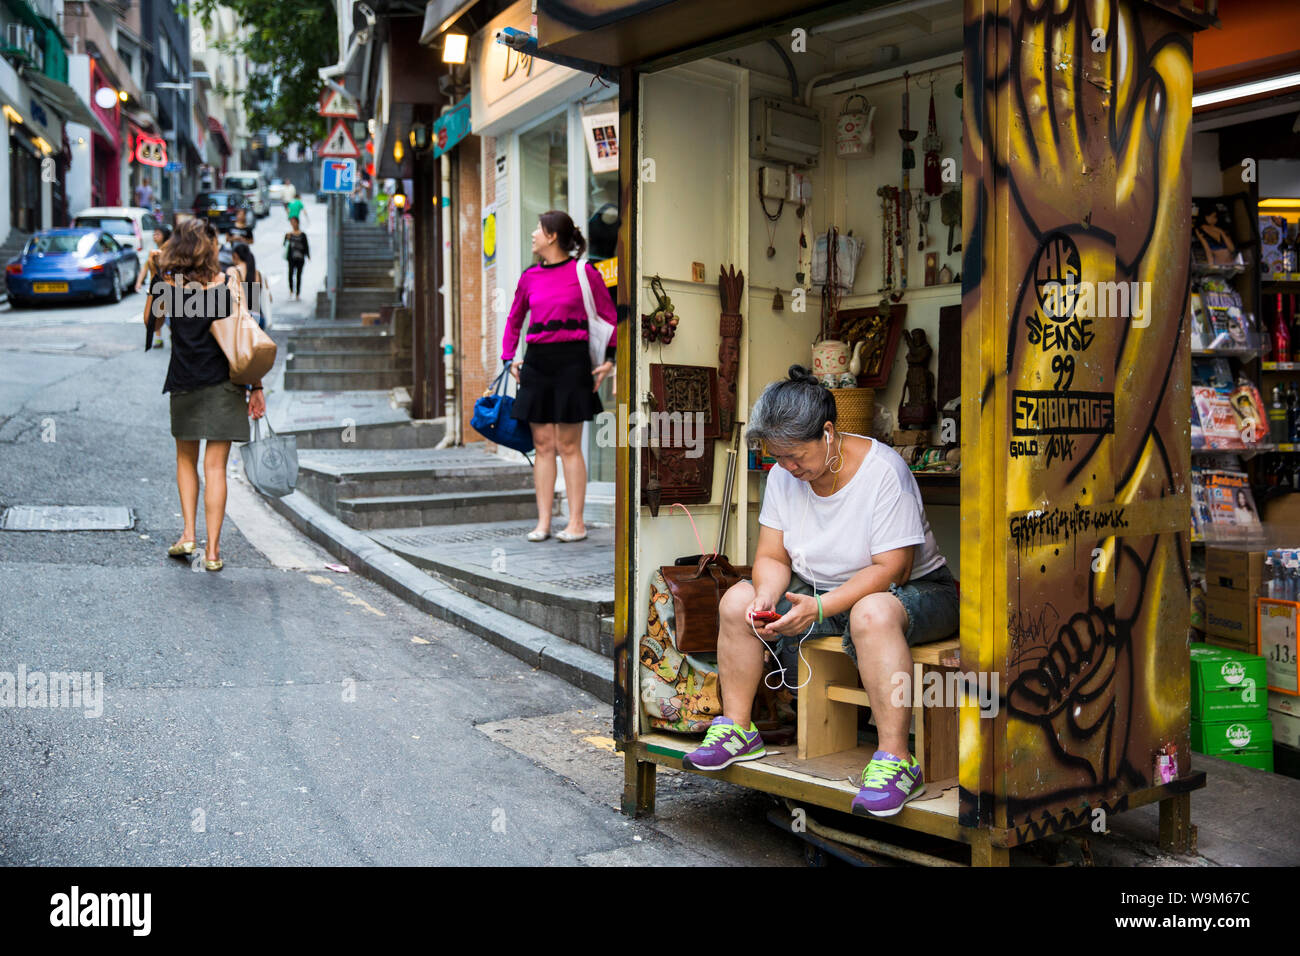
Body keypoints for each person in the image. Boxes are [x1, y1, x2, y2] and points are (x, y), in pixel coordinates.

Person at [680, 366, 960, 819]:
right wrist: (767, 597)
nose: (788, 467)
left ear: (828, 433)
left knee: (870, 614)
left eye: (795, 456)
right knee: (737, 601)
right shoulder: (783, 477)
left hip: (918, 592)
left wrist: (822, 606)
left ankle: (896, 761)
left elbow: (894, 567)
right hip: (819, 591)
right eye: (778, 457)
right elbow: (772, 556)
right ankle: (737, 729)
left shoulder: (883, 470)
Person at [143, 218, 265, 572]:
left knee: (186, 461)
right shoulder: (231, 281)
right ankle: (212, 552)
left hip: (184, 382)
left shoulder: (170, 285)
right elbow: (251, 331)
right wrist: (256, 387)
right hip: (226, 384)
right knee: (216, 468)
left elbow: (152, 323)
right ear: (209, 248)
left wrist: (155, 276)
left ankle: (187, 535)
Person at [501, 210, 616, 543]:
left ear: (552, 236)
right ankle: (543, 523)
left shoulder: (584, 271)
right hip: (537, 362)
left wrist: (610, 360)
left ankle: (576, 523)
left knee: (568, 445)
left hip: (572, 362)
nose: (533, 234)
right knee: (542, 444)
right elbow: (514, 319)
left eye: (538, 229)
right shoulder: (529, 277)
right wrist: (509, 357)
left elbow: (609, 317)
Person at [136, 225, 173, 348]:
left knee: (164, 313)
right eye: (154, 234)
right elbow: (145, 267)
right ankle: (159, 338)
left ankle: (173, 335)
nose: (155, 236)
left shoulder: (169, 250)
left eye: (158, 234)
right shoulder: (154, 251)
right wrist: (139, 282)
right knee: (159, 312)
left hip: (165, 287)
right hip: (156, 286)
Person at [230, 242, 270, 331]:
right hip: (259, 317)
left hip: (244, 317)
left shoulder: (234, 271)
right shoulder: (258, 273)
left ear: (235, 255)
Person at [283, 217, 310, 300]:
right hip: (291, 258)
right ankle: (291, 290)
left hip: (300, 258)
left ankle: (298, 293)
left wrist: (308, 255)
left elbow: (306, 246)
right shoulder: (289, 234)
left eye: (294, 222)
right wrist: (287, 238)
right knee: (290, 273)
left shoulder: (303, 234)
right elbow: (285, 245)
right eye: (292, 222)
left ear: (298, 223)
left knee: (299, 275)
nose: (293, 224)